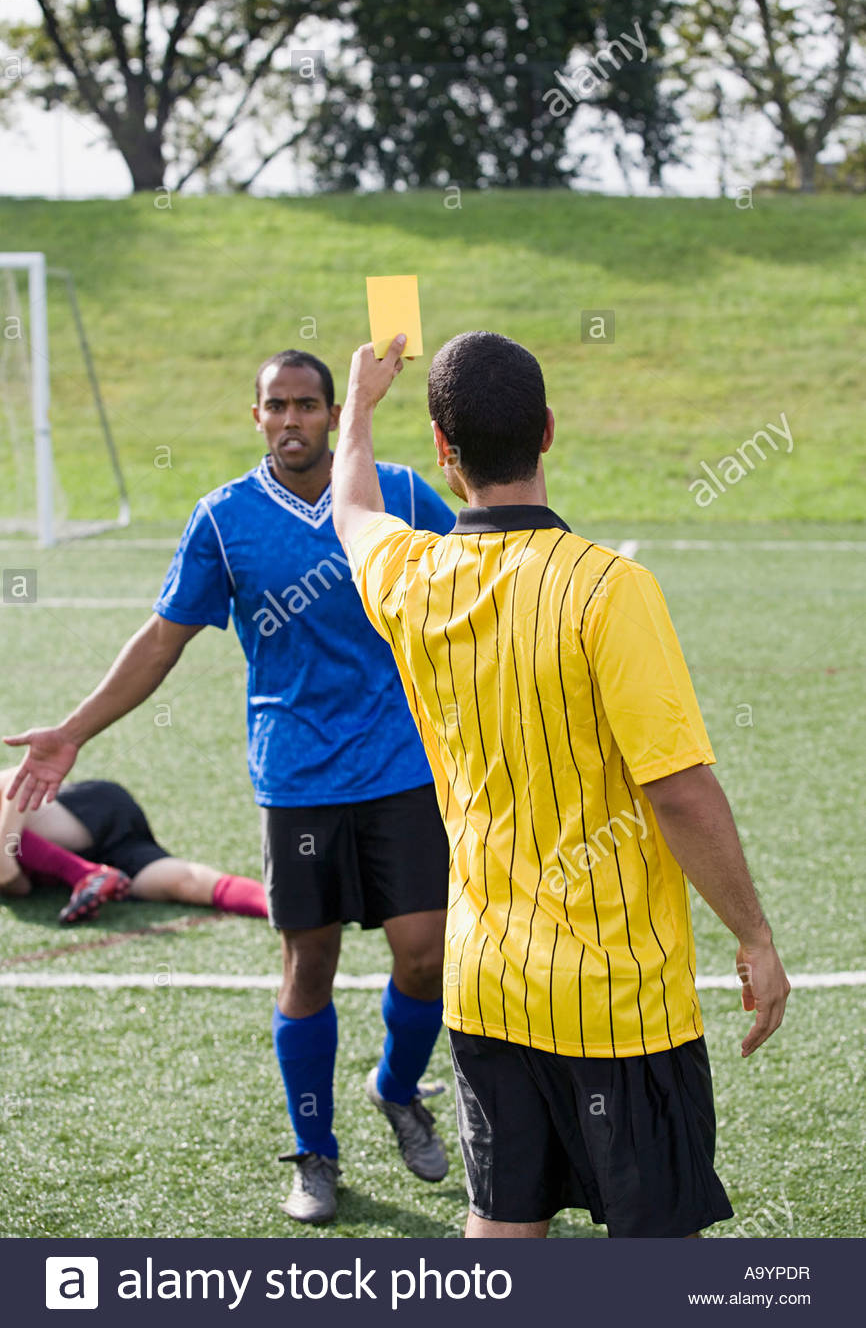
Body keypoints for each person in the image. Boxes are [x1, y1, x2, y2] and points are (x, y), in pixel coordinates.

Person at [331, 330, 791, 1239]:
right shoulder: (611, 591)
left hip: (487, 984)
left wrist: (361, 403)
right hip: (618, 1003)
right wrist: (755, 935)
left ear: (442, 451)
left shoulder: (413, 578)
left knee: (502, 1236)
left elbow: (351, 508)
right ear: (548, 432)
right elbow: (680, 792)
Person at [3, 347, 456, 1226]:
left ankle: (398, 1090)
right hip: (298, 779)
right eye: (276, 406)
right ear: (256, 419)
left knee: (425, 952)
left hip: (403, 767)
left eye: (308, 405)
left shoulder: (397, 495)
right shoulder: (224, 520)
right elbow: (161, 641)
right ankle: (315, 1155)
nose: (292, 420)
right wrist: (73, 730)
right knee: (309, 962)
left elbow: (481, 556)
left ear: (334, 413)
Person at [0, 768, 267, 922]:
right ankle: (293, 908)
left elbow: (20, 778)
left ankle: (85, 873)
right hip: (106, 859)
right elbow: (18, 885)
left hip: (86, 813)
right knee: (186, 884)